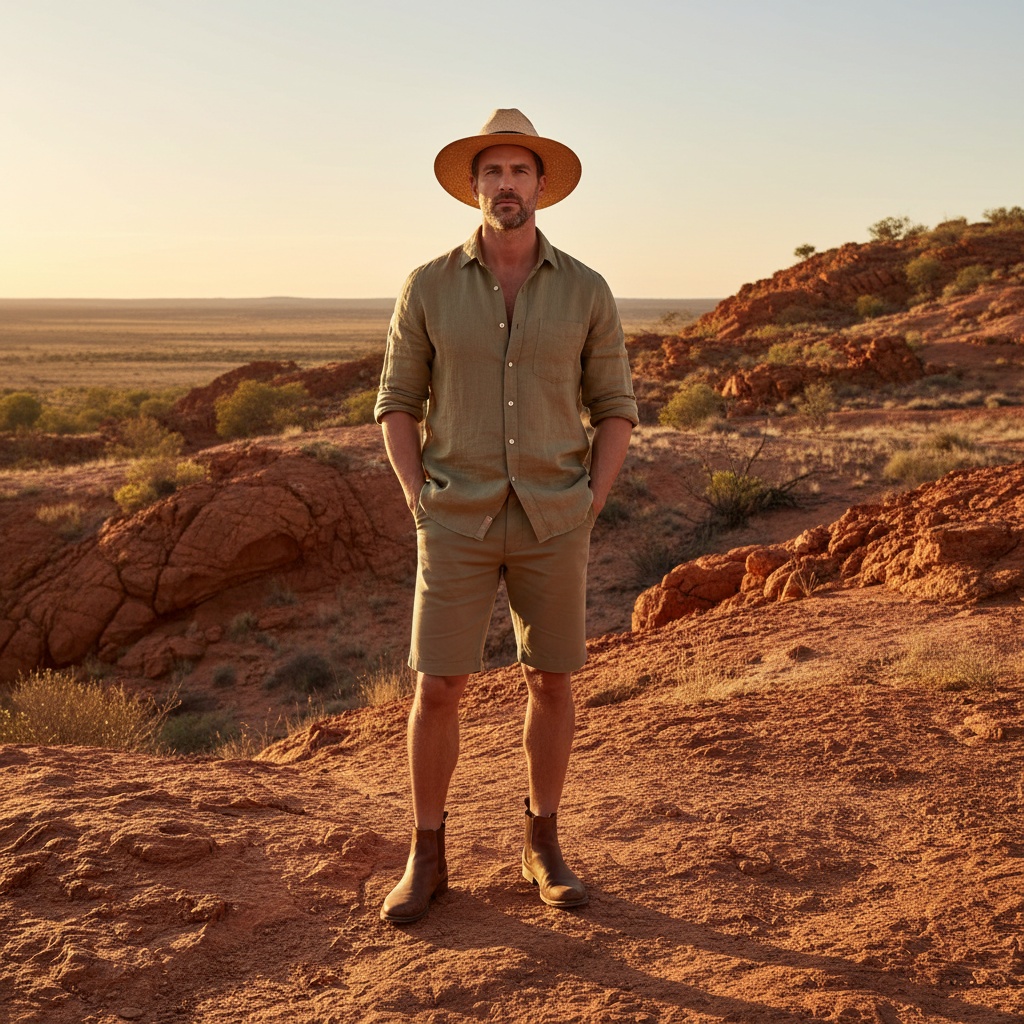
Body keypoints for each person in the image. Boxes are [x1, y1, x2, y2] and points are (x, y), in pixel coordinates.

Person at [374, 109, 638, 923]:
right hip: (455, 516)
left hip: (555, 518)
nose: (506, 185)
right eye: (492, 172)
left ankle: (542, 845)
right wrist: (420, 499)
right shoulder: (427, 285)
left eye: (520, 171)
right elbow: (396, 404)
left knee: (550, 680)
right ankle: (426, 856)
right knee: (438, 686)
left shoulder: (587, 289)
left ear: (542, 185)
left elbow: (616, 407)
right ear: (473, 186)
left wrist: (591, 500)